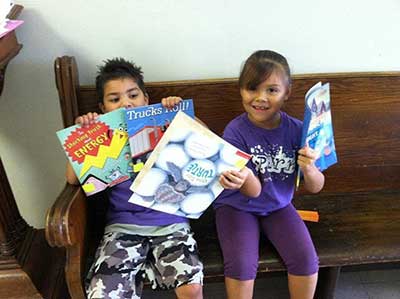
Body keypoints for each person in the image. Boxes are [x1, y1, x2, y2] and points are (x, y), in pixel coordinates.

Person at [65, 58, 203, 299]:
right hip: (122, 227)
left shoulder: (166, 124)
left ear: (145, 99)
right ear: (103, 107)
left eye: (133, 95)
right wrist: (84, 136)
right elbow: (72, 179)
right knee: (103, 293)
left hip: (171, 223)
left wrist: (181, 115)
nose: (126, 103)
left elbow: (206, 141)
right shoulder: (103, 137)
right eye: (115, 99)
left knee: (191, 286)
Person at [215, 50, 325, 299]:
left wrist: (309, 168)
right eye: (252, 88)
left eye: (272, 90)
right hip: (237, 207)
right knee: (241, 264)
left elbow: (316, 186)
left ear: (287, 93)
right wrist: (244, 179)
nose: (260, 98)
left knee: (306, 260)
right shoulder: (235, 131)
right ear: (241, 90)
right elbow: (253, 191)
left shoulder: (299, 131)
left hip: (278, 206)